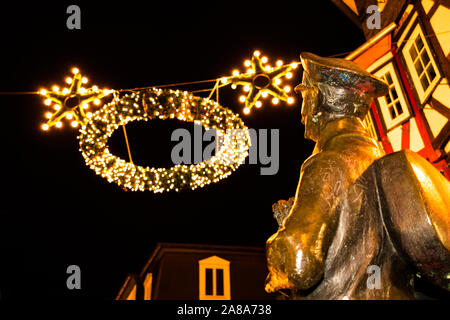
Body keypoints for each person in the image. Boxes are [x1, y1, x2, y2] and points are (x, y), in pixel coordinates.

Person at [265, 52, 450, 299]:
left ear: (316, 98)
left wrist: (284, 234)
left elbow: (300, 264)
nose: (302, 113)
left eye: (304, 95)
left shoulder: (328, 162)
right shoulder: (380, 162)